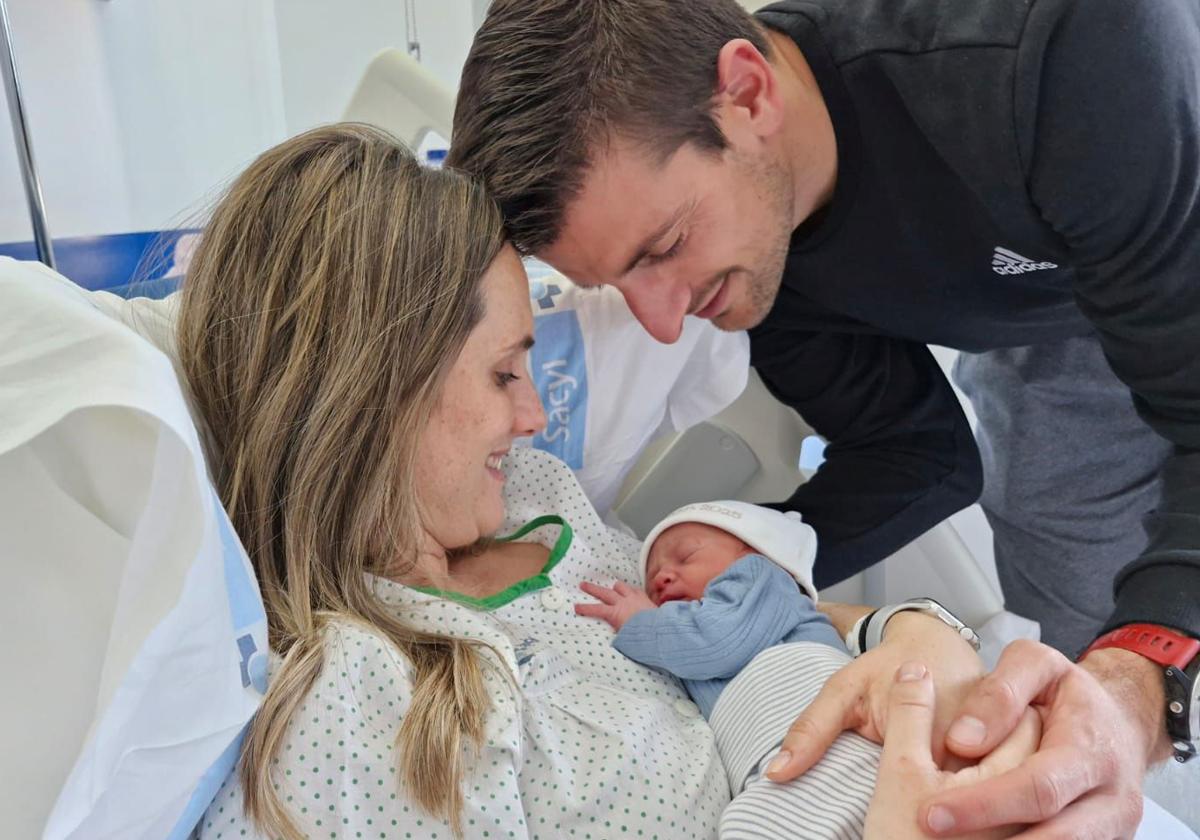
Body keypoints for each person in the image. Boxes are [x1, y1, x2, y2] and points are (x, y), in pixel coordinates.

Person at [446, 0, 1200, 836]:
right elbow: (918, 456)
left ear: (748, 92)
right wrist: (754, 558)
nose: (666, 322)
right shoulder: (757, 264)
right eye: (622, 283)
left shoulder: (1064, 51)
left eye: (660, 249)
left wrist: (1143, 683)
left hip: (1166, 196)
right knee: (1070, 624)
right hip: (1043, 302)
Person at [175, 123, 990, 839]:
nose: (534, 417)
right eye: (503, 375)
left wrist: (912, 632)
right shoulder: (351, 712)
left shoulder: (537, 497)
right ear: (376, 393)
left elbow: (733, 609)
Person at [578, 500, 883, 838]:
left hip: (838, 748)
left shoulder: (761, 575)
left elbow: (712, 641)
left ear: (755, 549)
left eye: (685, 557)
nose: (662, 577)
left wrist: (639, 620)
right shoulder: (681, 648)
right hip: (767, 772)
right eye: (650, 581)